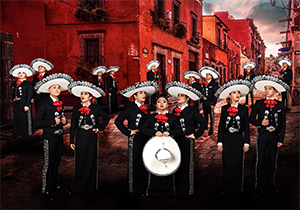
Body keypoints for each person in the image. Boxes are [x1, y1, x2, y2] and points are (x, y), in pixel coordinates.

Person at [34, 73, 74, 200]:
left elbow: (62, 121)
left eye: (58, 87)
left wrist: (64, 122)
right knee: (48, 164)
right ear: (48, 89)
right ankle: (45, 189)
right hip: (49, 138)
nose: (57, 89)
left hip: (59, 137)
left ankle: (56, 186)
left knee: (56, 163)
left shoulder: (60, 103)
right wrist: (53, 122)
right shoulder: (44, 104)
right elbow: (37, 122)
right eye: (54, 87)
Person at [115, 81, 158, 195]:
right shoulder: (129, 108)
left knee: (146, 162)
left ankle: (145, 187)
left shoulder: (147, 107)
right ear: (134, 96)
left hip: (147, 137)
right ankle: (136, 189)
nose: (143, 95)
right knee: (136, 163)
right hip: (136, 138)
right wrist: (128, 132)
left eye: (144, 93)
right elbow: (118, 121)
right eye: (140, 93)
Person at [165, 81, 207, 196]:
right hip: (175, 140)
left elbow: (203, 122)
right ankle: (176, 188)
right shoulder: (174, 110)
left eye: (182, 96)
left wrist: (196, 135)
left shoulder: (192, 110)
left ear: (187, 99)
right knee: (175, 164)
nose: (179, 98)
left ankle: (187, 190)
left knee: (186, 165)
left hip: (187, 140)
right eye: (178, 95)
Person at [249, 75, 288, 198]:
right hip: (263, 135)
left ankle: (271, 182)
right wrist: (260, 123)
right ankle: (258, 185)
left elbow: (282, 123)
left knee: (272, 160)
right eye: (266, 88)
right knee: (260, 161)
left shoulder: (280, 105)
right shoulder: (259, 103)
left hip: (274, 137)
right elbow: (250, 118)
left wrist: (281, 138)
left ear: (275, 91)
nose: (267, 91)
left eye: (270, 89)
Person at [68, 81, 110, 193]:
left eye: (86, 94)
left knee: (91, 160)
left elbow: (106, 117)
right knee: (80, 160)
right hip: (81, 135)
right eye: (82, 93)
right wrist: (71, 139)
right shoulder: (76, 108)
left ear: (91, 97)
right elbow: (73, 126)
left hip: (91, 136)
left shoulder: (96, 107)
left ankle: (90, 187)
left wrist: (100, 128)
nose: (83, 96)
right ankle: (77, 186)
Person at [140, 94, 182, 199]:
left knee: (168, 166)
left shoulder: (173, 118)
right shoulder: (150, 118)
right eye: (159, 101)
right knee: (153, 165)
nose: (162, 103)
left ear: (168, 104)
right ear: (156, 105)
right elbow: (143, 129)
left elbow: (179, 131)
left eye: (164, 101)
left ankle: (169, 191)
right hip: (153, 146)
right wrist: (154, 132)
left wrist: (170, 132)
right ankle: (153, 191)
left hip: (169, 147)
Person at [215, 79, 251, 195]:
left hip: (238, 139)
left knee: (237, 163)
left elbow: (246, 127)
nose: (237, 95)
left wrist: (246, 143)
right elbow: (221, 126)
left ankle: (236, 187)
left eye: (238, 93)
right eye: (234, 93)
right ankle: (226, 188)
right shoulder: (224, 109)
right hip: (227, 139)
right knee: (226, 163)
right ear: (229, 95)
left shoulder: (244, 109)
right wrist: (219, 141)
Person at [9, 64, 35, 137]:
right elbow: (12, 91)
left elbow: (30, 94)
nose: (21, 74)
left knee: (25, 119)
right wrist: (14, 97)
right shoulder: (15, 83)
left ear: (25, 74)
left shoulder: (29, 84)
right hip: (17, 103)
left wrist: (27, 105)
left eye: (23, 73)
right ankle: (18, 132)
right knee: (17, 118)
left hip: (25, 102)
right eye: (19, 73)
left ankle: (26, 133)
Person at [199, 66, 220, 135]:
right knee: (205, 115)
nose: (206, 76)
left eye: (208, 75)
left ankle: (211, 129)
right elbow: (203, 92)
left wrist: (213, 104)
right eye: (206, 75)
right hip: (205, 102)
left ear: (211, 76)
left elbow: (215, 95)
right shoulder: (205, 84)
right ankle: (205, 126)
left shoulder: (214, 84)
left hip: (210, 102)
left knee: (211, 116)